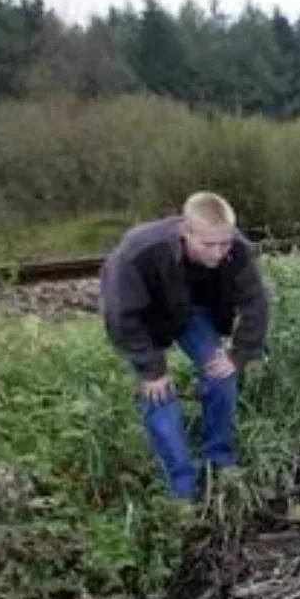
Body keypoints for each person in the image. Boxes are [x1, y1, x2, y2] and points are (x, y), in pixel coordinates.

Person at [100, 191, 270, 501]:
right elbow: (120, 315)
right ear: (185, 232)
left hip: (192, 311)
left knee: (222, 375)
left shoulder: (237, 250)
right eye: (209, 244)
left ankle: (220, 461)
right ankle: (182, 490)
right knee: (159, 394)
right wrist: (151, 369)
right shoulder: (139, 252)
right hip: (144, 316)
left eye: (224, 243)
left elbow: (256, 303)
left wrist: (239, 353)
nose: (219, 253)